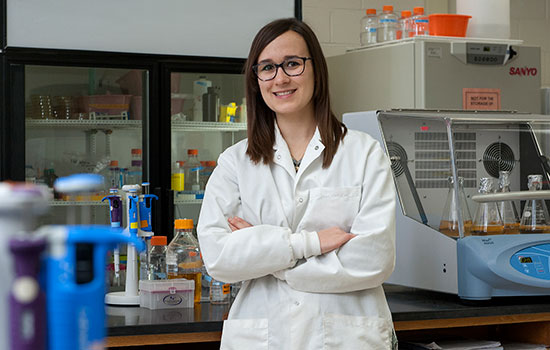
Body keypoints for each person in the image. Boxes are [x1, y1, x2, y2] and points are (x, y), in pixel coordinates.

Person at [197, 17, 397, 349]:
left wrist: (268, 260)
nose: (280, 78)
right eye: (267, 68)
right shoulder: (235, 162)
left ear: (316, 68)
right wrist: (311, 244)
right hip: (262, 336)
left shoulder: (363, 153)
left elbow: (373, 259)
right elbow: (219, 259)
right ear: (256, 78)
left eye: (292, 64)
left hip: (347, 337)